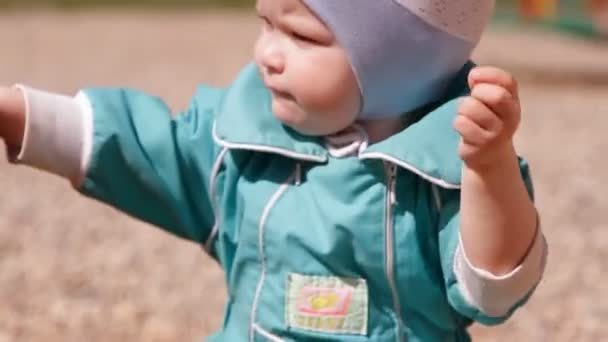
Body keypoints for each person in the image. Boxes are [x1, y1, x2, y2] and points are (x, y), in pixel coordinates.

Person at [0, 0, 547, 340]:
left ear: (400, 61)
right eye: (266, 22)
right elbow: (141, 145)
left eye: (303, 36)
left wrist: (490, 170)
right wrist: (18, 113)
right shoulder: (239, 143)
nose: (268, 54)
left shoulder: (448, 168)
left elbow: (492, 292)